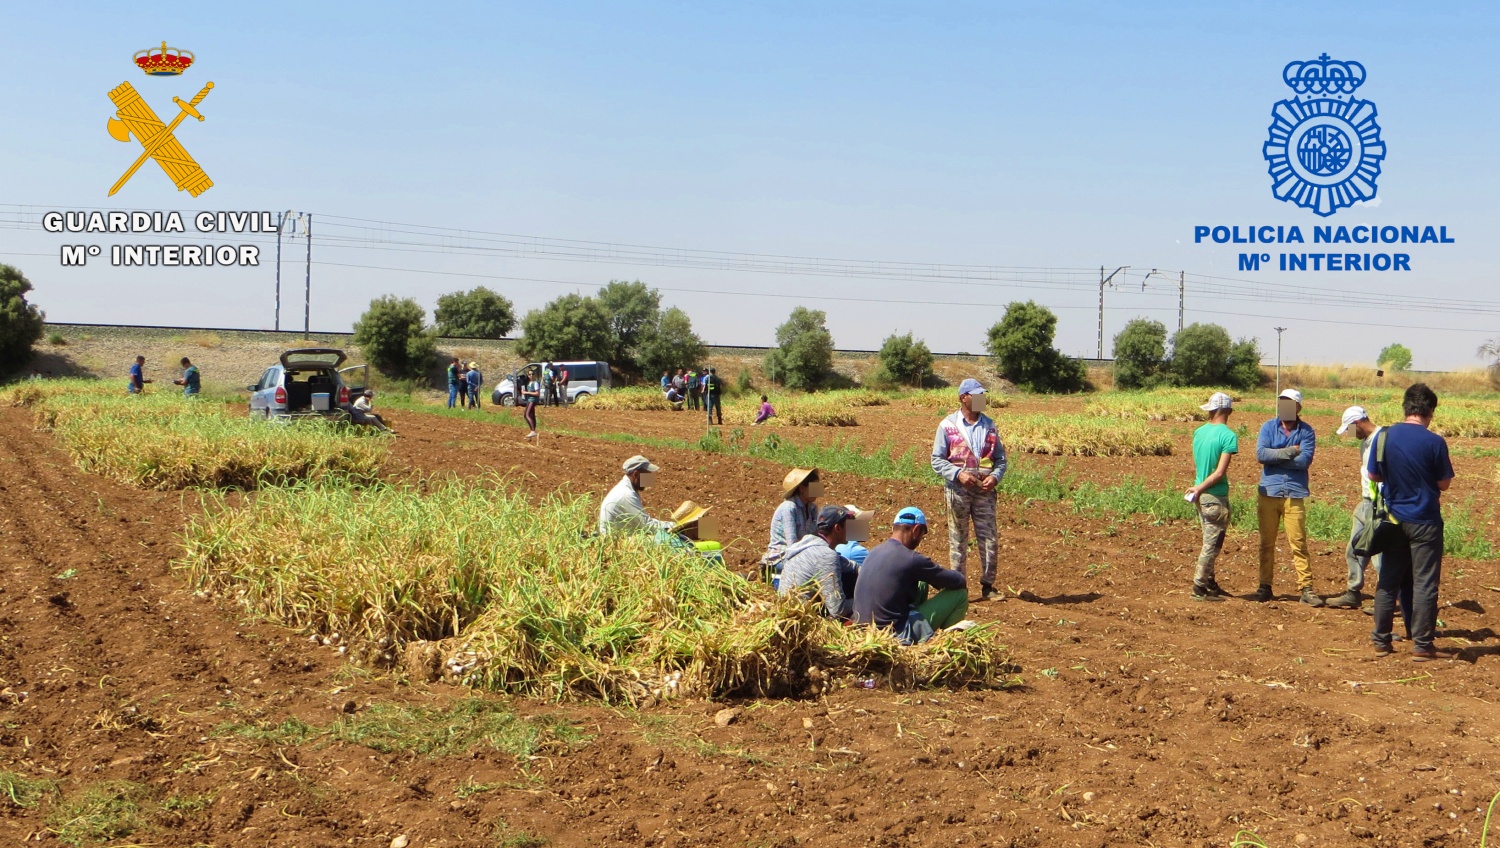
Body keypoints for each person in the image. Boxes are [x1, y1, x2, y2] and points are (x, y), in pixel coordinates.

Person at [1367, 383, 1456, 661]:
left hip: (1394, 520)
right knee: (1425, 584)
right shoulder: (1434, 442)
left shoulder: (1383, 436)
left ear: (1406, 408)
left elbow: (1373, 476)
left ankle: (1381, 641)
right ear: (1429, 410)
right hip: (1425, 522)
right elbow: (1444, 484)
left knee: (1389, 581)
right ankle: (1422, 645)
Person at [931, 378, 1007, 601]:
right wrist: (958, 474)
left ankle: (988, 586)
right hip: (958, 491)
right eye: (976, 395)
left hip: (984, 491)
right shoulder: (947, 425)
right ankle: (958, 587)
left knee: (989, 538)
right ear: (963, 397)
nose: (982, 399)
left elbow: (1000, 459)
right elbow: (937, 460)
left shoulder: (990, 425)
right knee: (958, 538)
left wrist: (995, 477)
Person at [853, 507, 969, 645]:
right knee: (960, 595)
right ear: (916, 530)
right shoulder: (912, 559)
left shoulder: (874, 551)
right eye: (921, 535)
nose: (920, 540)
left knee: (921, 583)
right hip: (894, 634)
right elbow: (958, 581)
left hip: (864, 631)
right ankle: (946, 643)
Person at [1255, 388, 1320, 605]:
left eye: (1289, 403)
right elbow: (1261, 455)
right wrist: (1291, 450)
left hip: (1294, 492)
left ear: (1298, 407)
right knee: (1266, 543)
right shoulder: (1268, 427)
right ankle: (1265, 586)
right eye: (1282, 402)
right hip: (1269, 492)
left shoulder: (1307, 431)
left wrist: (1276, 456)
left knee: (1298, 543)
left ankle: (1306, 588)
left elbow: (1305, 462)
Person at [1328, 406, 1387, 610]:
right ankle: (1353, 592)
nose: (1349, 434)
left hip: (1379, 503)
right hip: (1365, 502)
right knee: (1353, 549)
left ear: (1357, 424)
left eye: (1349, 429)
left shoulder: (1383, 440)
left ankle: (1383, 599)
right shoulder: (1364, 443)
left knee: (1379, 555)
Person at [1184, 392, 1237, 601]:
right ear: (1228, 411)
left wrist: (1198, 488)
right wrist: (1201, 488)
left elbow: (1197, 465)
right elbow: (1219, 473)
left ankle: (1210, 583)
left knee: (1208, 538)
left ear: (1211, 409)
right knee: (1212, 545)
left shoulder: (1199, 432)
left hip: (1200, 495)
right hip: (1214, 495)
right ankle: (1199, 587)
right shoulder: (1228, 435)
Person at [777, 505, 868, 621]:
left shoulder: (810, 545)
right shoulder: (825, 555)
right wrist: (866, 599)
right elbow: (838, 610)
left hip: (787, 613)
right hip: (802, 622)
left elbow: (852, 566)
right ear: (837, 528)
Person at [760, 468, 823, 581]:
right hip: (781, 557)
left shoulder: (812, 508)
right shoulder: (788, 508)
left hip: (804, 555)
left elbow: (816, 536)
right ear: (802, 488)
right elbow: (792, 546)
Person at [599, 455, 674, 536]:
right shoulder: (626, 495)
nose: (649, 480)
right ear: (636, 474)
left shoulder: (627, 488)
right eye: (647, 475)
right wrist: (674, 526)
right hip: (616, 541)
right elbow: (647, 525)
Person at [521, 367, 541, 439]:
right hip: (529, 400)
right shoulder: (528, 383)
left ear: (535, 375)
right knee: (532, 415)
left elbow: (537, 393)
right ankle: (532, 431)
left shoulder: (535, 383)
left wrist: (527, 392)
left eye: (533, 374)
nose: (531, 376)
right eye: (530, 374)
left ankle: (533, 431)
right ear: (528, 375)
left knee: (526, 415)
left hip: (532, 400)